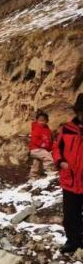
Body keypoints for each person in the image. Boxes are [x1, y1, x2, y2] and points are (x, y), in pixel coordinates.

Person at [52, 94, 83, 254]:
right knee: (71, 215)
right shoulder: (66, 129)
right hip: (69, 179)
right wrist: (60, 162)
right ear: (78, 112)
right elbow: (56, 148)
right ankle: (73, 241)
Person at [29, 111, 54, 179]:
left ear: (47, 121)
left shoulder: (47, 130)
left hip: (41, 149)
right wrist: (42, 144)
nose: (42, 122)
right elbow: (34, 139)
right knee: (48, 157)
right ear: (37, 121)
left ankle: (33, 176)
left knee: (36, 162)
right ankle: (50, 170)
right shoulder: (36, 128)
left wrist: (51, 147)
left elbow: (50, 140)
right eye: (40, 121)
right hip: (36, 149)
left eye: (44, 121)